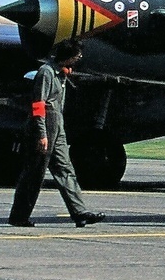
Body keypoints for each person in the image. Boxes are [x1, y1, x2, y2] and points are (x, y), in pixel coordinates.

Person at [9, 40, 106, 228]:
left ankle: (80, 213)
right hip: (44, 124)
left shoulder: (60, 73)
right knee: (35, 173)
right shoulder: (46, 72)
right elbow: (38, 105)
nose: (78, 60)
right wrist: (41, 134)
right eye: (76, 56)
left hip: (57, 124)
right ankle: (19, 216)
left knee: (65, 168)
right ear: (67, 56)